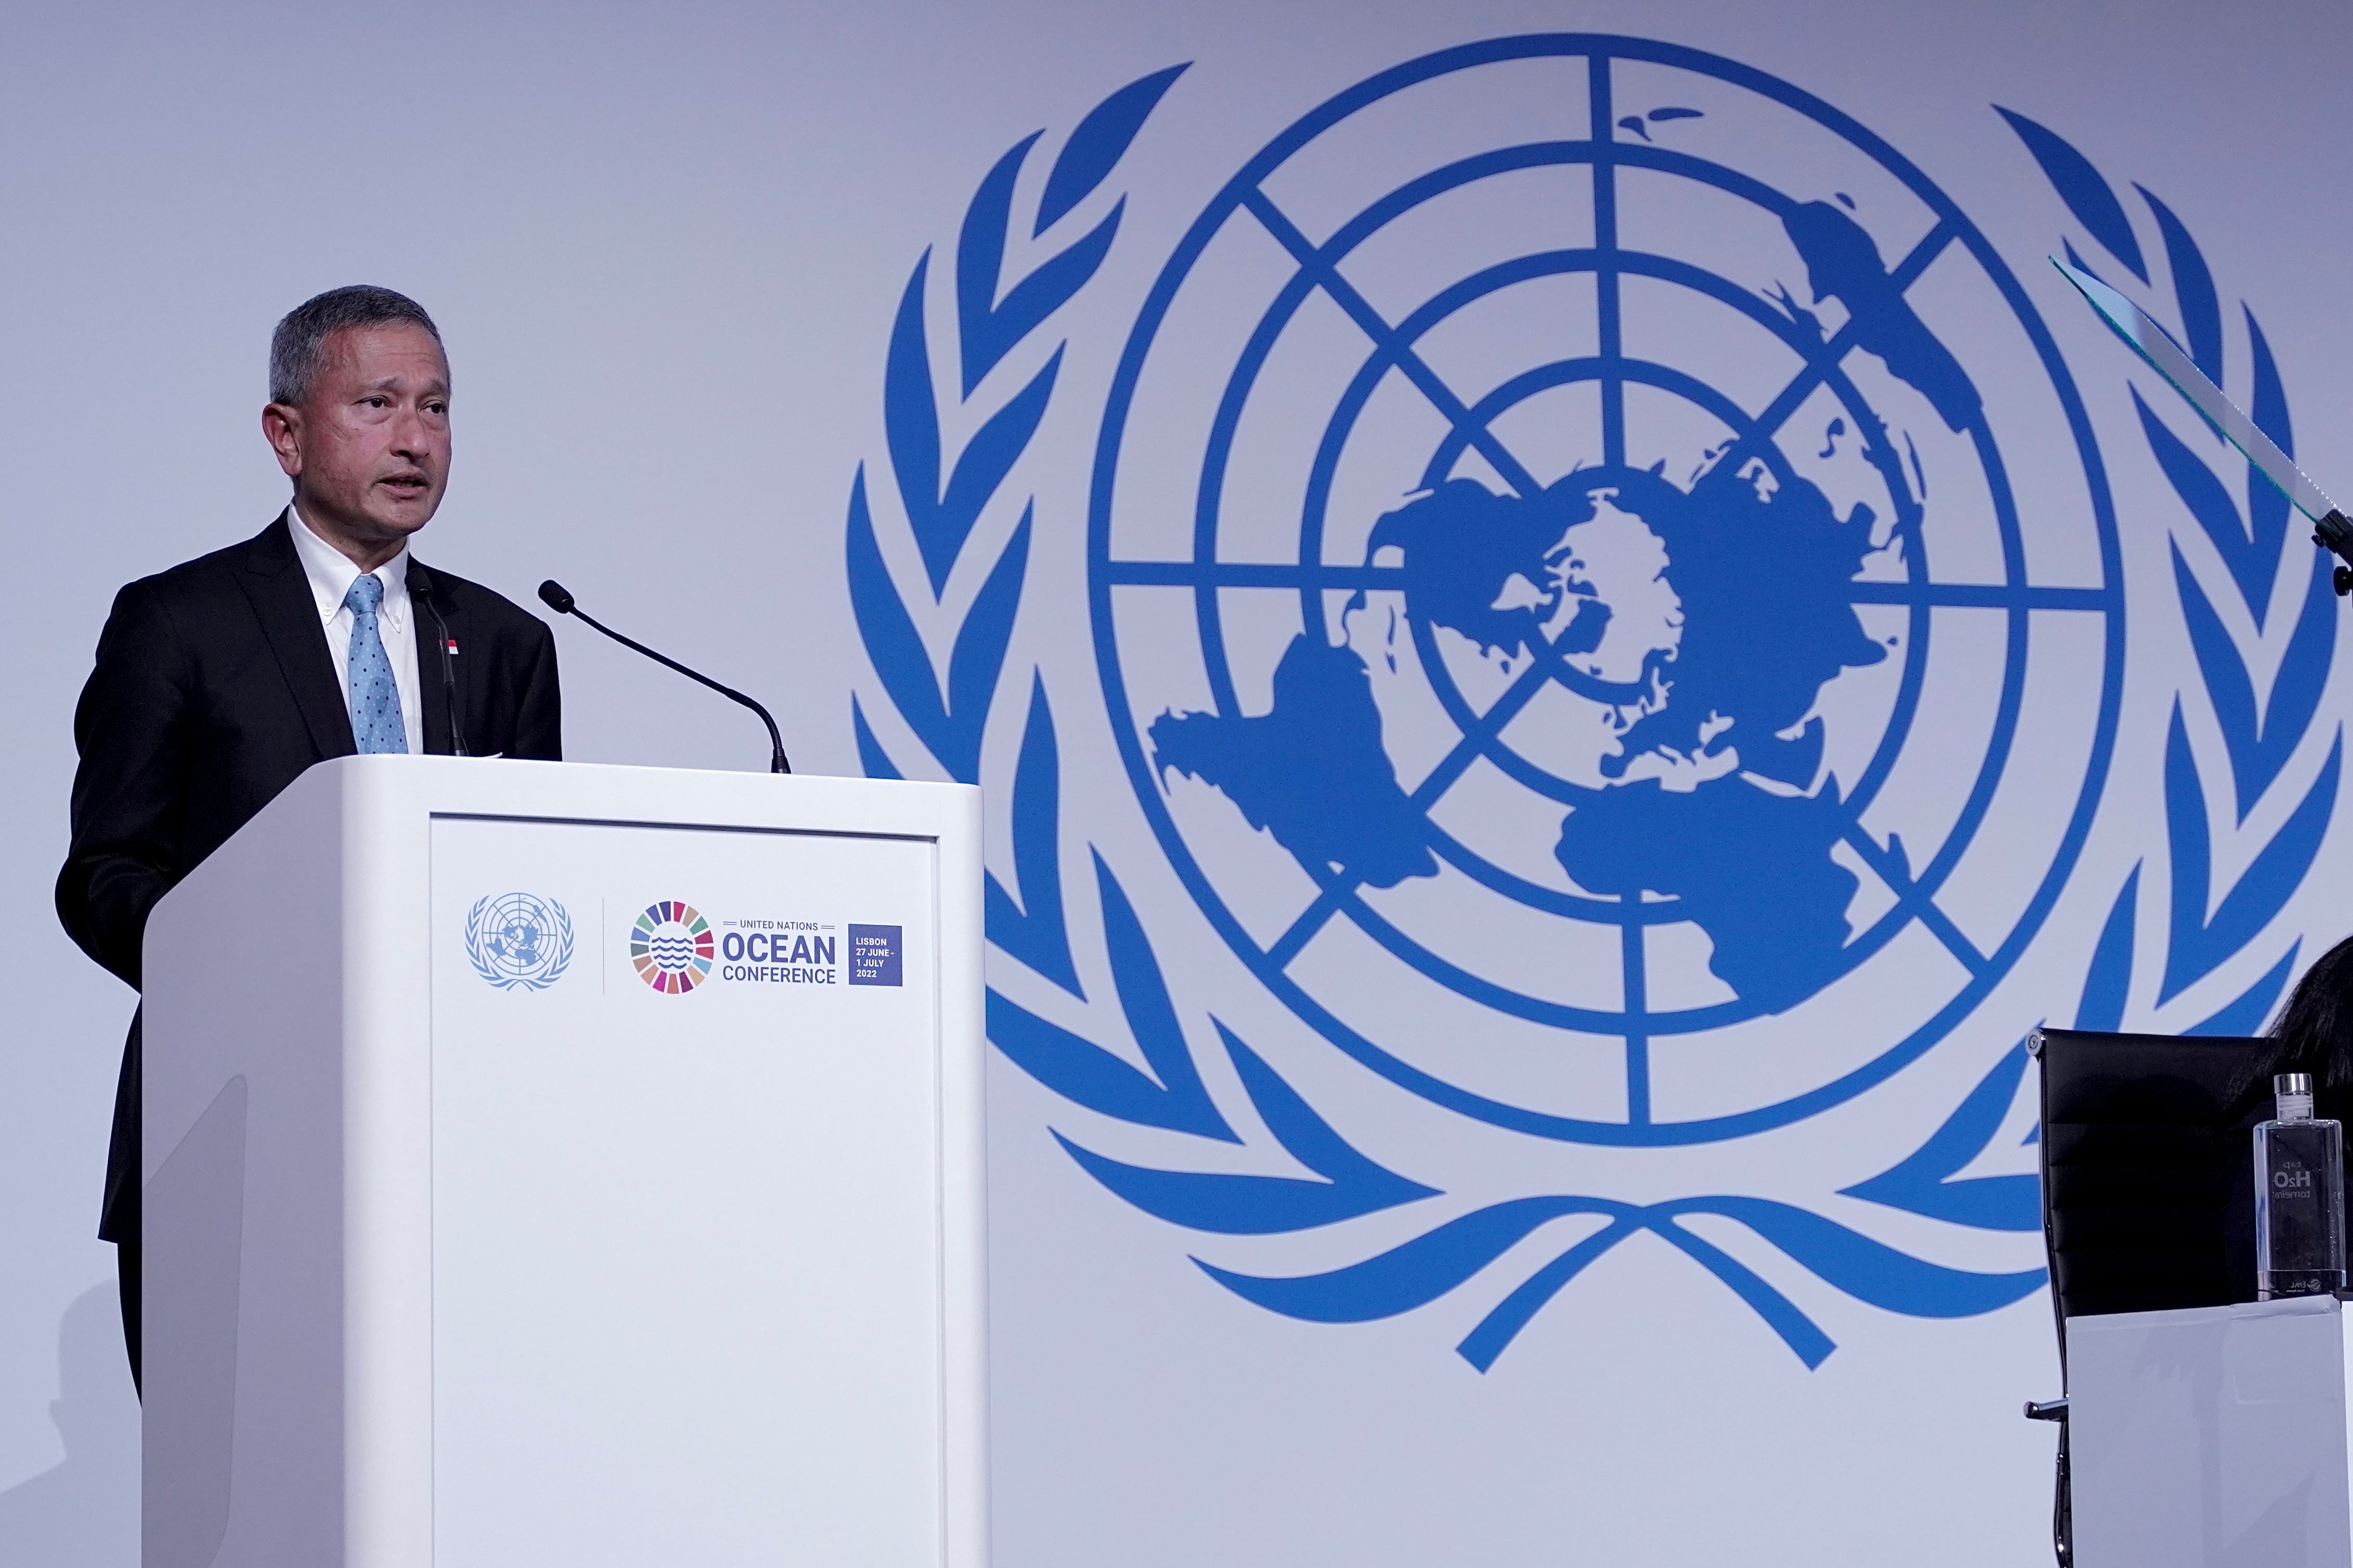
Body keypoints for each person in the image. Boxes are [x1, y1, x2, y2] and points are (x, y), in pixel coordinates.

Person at [56, 286, 563, 1390]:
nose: (416, 439)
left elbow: (534, 894)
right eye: (377, 404)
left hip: (453, 1154)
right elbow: (105, 874)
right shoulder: (180, 622)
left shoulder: (508, 643)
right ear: (285, 433)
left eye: (436, 408)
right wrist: (238, 964)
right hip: (228, 1135)